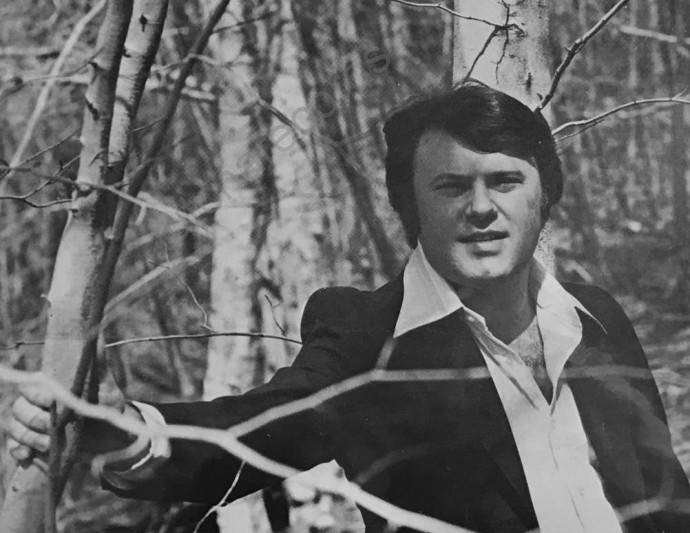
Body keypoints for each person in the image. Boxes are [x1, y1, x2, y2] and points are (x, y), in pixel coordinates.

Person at [9, 82, 690, 532]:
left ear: (545, 196)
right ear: (410, 206)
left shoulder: (595, 316)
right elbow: (257, 432)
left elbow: (666, 493)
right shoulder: (371, 338)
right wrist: (126, 432)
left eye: (505, 181)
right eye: (451, 186)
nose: (482, 208)